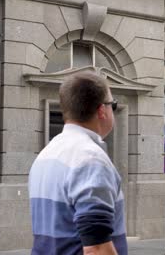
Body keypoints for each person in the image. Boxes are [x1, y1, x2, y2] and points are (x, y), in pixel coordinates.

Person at [29, 72, 126, 255]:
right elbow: (97, 248)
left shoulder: (46, 154)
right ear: (101, 110)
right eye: (112, 104)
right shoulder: (91, 160)